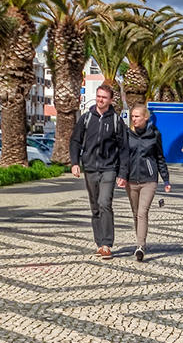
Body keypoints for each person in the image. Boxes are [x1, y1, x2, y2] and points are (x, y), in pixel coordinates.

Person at [69, 84, 127, 259]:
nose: (100, 99)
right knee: (95, 207)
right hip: (90, 168)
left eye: (104, 97)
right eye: (98, 96)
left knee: (104, 203)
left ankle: (107, 244)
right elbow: (75, 141)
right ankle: (99, 242)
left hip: (109, 168)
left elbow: (124, 148)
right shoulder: (86, 118)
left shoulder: (116, 121)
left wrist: (123, 173)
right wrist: (75, 162)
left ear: (110, 100)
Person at [117, 104, 172, 262]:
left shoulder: (154, 134)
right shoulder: (128, 134)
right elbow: (124, 157)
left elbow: (160, 157)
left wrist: (166, 179)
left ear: (145, 117)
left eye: (137, 116)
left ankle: (140, 246)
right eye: (132, 116)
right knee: (135, 213)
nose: (134, 119)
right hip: (131, 180)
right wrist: (122, 176)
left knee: (142, 212)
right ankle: (140, 241)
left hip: (149, 180)